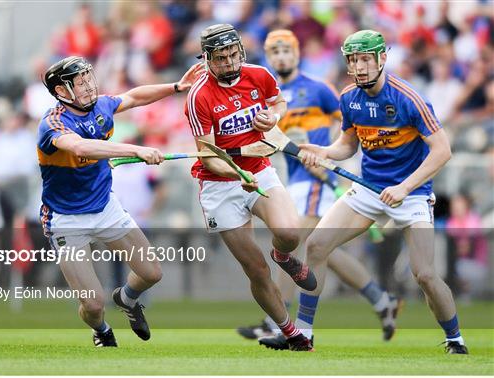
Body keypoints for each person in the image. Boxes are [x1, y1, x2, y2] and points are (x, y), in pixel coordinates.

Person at [298, 30, 468, 354]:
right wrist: (321, 151)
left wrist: (405, 187)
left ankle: (455, 339)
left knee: (425, 274)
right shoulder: (349, 98)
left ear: (382, 59)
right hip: (368, 189)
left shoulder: (409, 98)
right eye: (353, 61)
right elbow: (347, 145)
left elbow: (442, 151)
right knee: (317, 245)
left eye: (365, 59)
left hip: (412, 192)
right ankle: (304, 334)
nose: (359, 67)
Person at [236, 30, 402, 349]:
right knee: (320, 249)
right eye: (275, 52)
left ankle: (275, 322)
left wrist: (324, 157)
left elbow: (351, 129)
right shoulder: (269, 96)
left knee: (294, 246)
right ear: (268, 58)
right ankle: (382, 300)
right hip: (293, 177)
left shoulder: (318, 90)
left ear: (297, 53)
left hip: (317, 178)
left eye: (287, 50)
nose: (281, 57)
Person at [38, 56, 203, 347]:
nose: (89, 85)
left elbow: (134, 97)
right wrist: (135, 149)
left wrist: (177, 86)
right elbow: (79, 146)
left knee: (152, 272)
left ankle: (126, 298)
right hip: (66, 219)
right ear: (62, 92)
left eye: (89, 77)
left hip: (105, 207)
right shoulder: (52, 124)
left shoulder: (101, 105)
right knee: (93, 305)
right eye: (80, 81)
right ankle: (101, 330)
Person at [185, 24, 315, 351]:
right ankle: (290, 332)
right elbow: (210, 156)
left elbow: (278, 103)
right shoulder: (198, 96)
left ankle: (283, 256)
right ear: (207, 59)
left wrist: (273, 117)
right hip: (220, 185)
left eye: (232, 55)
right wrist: (235, 175)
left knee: (290, 233)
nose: (228, 63)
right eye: (220, 58)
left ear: (240, 51)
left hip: (259, 167)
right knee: (256, 269)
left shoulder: (259, 75)